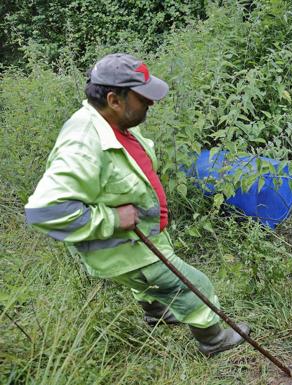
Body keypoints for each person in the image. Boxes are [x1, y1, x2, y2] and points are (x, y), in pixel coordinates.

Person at [24, 53, 250, 356]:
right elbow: (44, 211)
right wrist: (113, 219)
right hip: (127, 248)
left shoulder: (112, 123)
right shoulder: (83, 144)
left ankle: (157, 313)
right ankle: (214, 341)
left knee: (150, 281)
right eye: (143, 98)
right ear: (115, 99)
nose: (151, 103)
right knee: (195, 285)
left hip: (141, 240)